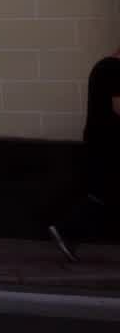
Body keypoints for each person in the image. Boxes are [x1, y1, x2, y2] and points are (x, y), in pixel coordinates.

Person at [48, 51, 120, 262]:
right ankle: (66, 230)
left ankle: (68, 232)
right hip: (109, 143)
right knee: (105, 193)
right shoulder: (114, 69)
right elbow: (118, 107)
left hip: (100, 140)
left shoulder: (102, 66)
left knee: (105, 192)